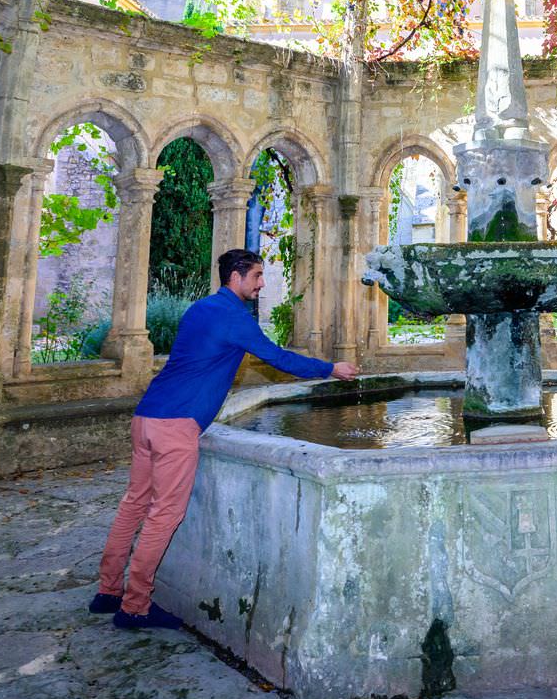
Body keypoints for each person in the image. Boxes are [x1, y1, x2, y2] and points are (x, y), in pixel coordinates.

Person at [93, 248, 358, 630]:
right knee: (163, 514)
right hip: (176, 425)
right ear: (235, 276)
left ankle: (107, 592)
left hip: (147, 416)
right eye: (257, 276)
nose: (262, 283)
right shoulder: (234, 317)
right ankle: (134, 607)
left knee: (134, 505)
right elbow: (278, 358)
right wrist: (330, 368)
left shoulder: (200, 308)